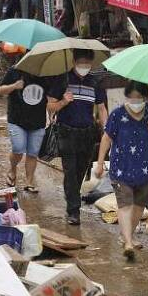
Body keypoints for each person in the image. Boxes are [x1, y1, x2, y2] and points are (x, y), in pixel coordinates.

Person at [95, 81, 148, 261]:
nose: (135, 101)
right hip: (121, 168)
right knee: (125, 205)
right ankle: (129, 243)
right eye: (131, 98)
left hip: (145, 169)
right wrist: (100, 163)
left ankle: (127, 236)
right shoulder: (117, 114)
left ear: (146, 98)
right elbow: (106, 138)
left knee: (139, 206)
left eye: (139, 98)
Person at [48, 49, 108, 225]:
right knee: (70, 171)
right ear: (74, 61)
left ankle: (73, 200)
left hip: (87, 133)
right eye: (81, 63)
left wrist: (107, 130)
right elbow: (50, 107)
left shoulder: (95, 82)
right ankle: (73, 211)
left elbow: (102, 108)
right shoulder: (63, 80)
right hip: (66, 132)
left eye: (87, 64)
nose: (84, 67)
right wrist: (64, 101)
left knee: (81, 171)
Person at [0, 65, 49, 192]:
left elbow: (52, 95)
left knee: (33, 153)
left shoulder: (46, 74)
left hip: (37, 121)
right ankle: (13, 168)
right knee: (18, 148)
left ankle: (29, 182)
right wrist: (14, 86)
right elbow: (0, 90)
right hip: (17, 119)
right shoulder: (15, 71)